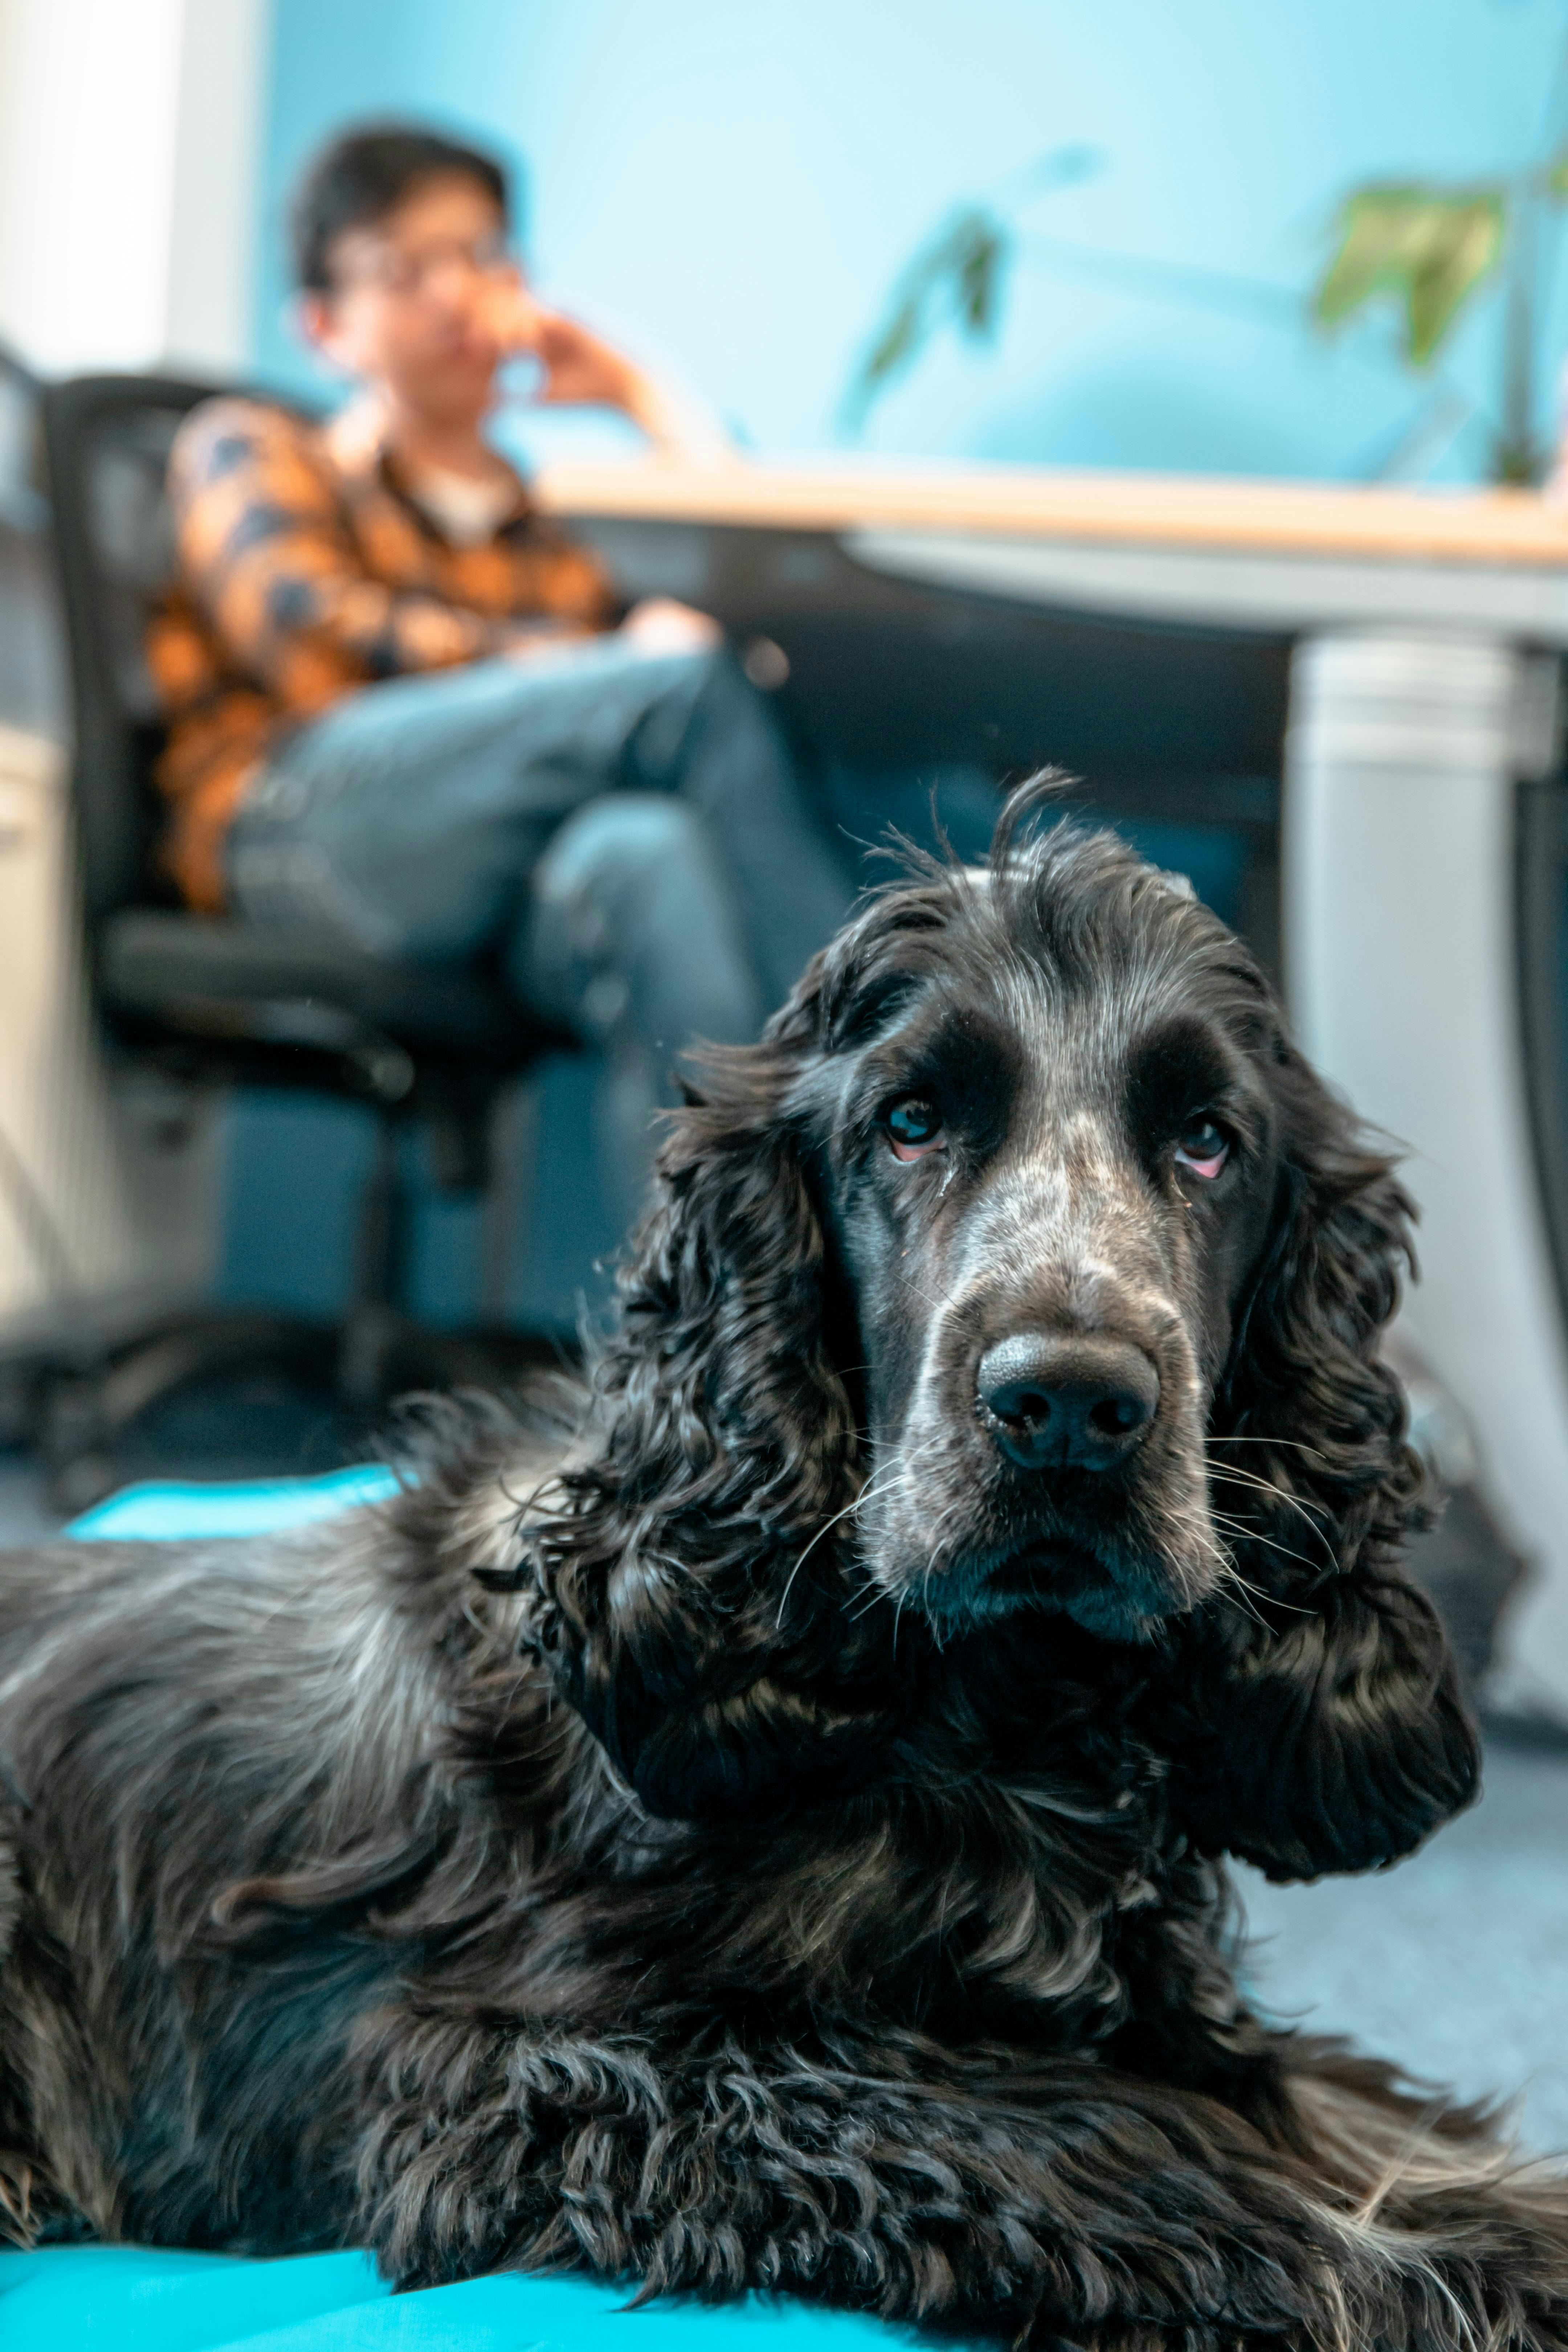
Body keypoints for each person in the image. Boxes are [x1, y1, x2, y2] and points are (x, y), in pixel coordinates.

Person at [148, 121, 854, 1229]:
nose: (456, 294)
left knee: (649, 857)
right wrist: (600, 671)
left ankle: (706, 1367)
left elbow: (750, 589)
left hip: (498, 890)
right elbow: (311, 640)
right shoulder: (252, 445)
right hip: (299, 838)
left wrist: (635, 394)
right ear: (326, 327)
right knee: (672, 690)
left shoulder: (553, 536)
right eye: (406, 269)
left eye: (484, 258)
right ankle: (877, 1083)